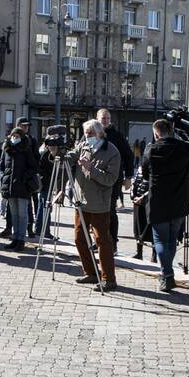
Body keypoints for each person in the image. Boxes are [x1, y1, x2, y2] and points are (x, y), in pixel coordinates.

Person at [141, 117, 189, 292]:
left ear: (156, 133)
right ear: (171, 130)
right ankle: (167, 273)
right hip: (179, 200)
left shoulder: (151, 150)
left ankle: (167, 274)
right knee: (172, 238)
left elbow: (144, 173)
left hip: (158, 201)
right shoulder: (183, 148)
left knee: (160, 239)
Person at [69, 119, 121, 291]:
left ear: (99, 133)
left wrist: (91, 168)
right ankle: (91, 272)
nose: (87, 136)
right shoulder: (83, 145)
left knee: (102, 241)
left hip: (99, 205)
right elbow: (71, 156)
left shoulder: (111, 151)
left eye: (90, 133)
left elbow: (110, 179)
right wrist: (56, 153)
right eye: (85, 133)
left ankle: (109, 279)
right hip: (81, 202)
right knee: (79, 239)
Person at [98, 108, 135, 246]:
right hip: (94, 180)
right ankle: (99, 240)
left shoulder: (117, 136)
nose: (105, 120)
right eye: (103, 118)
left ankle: (112, 242)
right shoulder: (92, 134)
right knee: (96, 211)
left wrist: (129, 176)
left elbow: (128, 156)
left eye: (107, 118)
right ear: (98, 119)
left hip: (113, 179)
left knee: (110, 210)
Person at [0, 127, 38, 252]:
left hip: (23, 187)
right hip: (10, 187)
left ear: (22, 137)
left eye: (17, 137)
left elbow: (33, 166)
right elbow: (2, 166)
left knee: (22, 214)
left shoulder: (26, 149)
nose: (14, 139)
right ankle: (15, 238)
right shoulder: (7, 149)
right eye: (13, 136)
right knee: (13, 214)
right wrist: (3, 178)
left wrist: (24, 177)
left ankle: (21, 239)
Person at [35, 140, 62, 241]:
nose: (53, 147)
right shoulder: (46, 154)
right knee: (46, 207)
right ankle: (44, 231)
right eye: (51, 145)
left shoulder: (46, 152)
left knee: (43, 207)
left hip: (47, 183)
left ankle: (40, 229)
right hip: (46, 184)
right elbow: (44, 168)